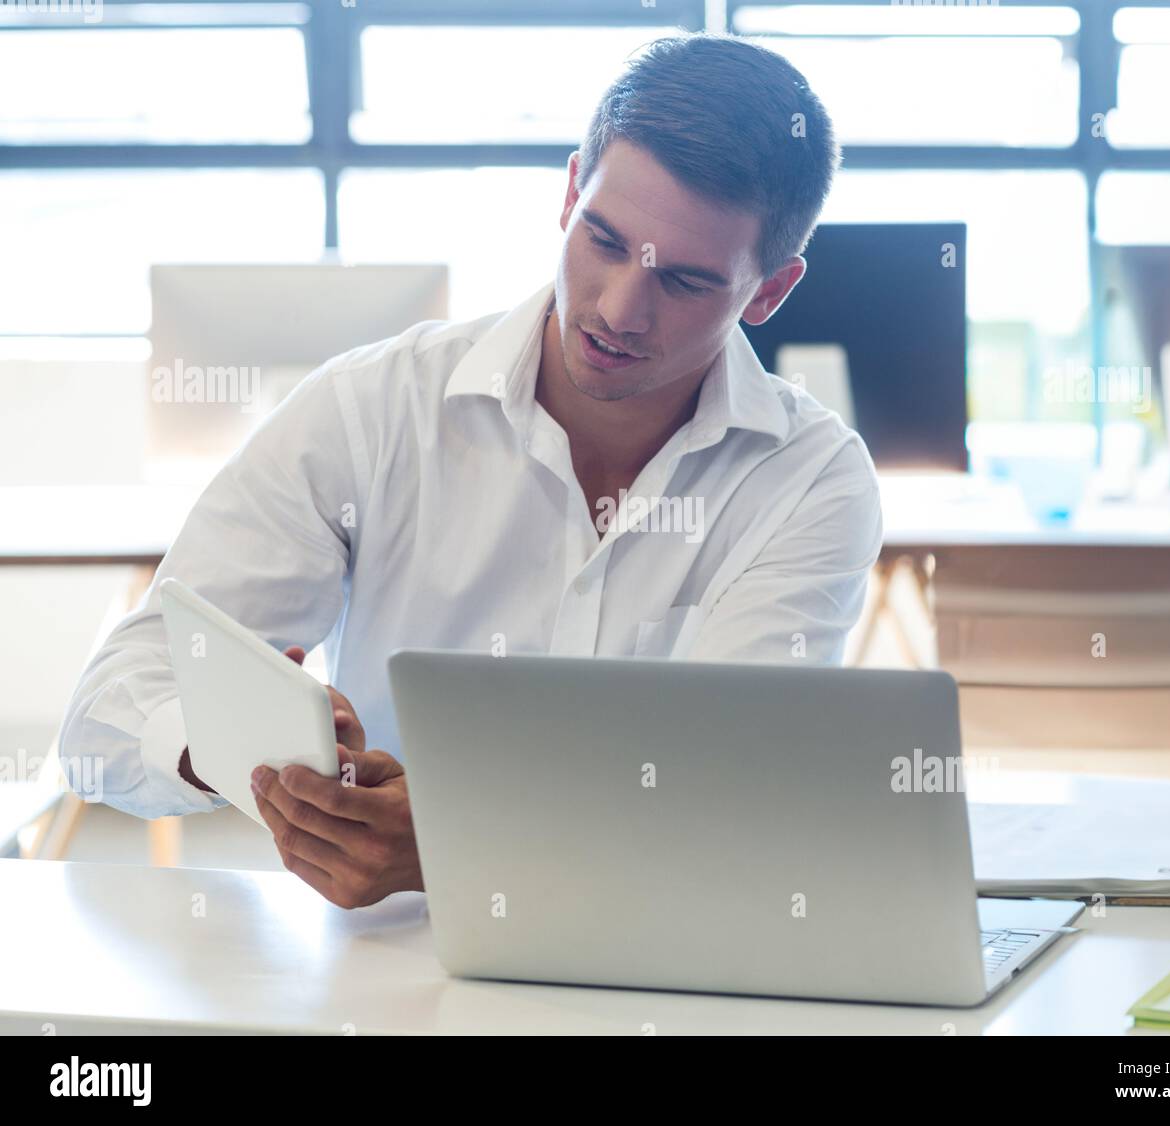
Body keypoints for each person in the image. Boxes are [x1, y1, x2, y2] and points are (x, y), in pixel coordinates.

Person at [59, 32, 883, 907]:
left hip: (663, 970)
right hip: (381, 979)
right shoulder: (372, 409)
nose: (618, 309)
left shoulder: (810, 481)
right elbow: (102, 721)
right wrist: (251, 748)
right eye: (604, 240)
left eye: (683, 283)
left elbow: (727, 794)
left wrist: (464, 838)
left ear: (768, 291)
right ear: (570, 193)